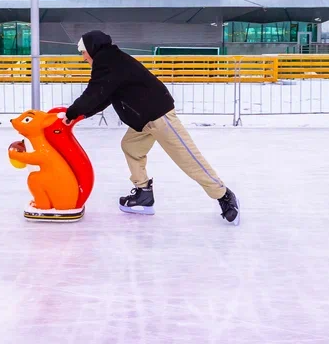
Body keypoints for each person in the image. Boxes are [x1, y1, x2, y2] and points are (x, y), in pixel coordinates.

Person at [64, 31, 240, 224]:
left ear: (92, 48)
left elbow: (94, 93)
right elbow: (104, 95)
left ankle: (223, 195)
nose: (83, 57)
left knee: (187, 158)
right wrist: (80, 114)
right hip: (144, 120)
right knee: (131, 147)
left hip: (159, 116)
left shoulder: (107, 61)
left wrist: (71, 113)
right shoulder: (111, 61)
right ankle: (144, 193)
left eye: (83, 52)